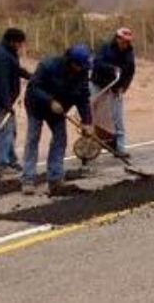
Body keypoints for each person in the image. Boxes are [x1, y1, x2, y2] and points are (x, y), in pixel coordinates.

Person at [22, 44, 93, 195]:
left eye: (83, 67)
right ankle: (28, 179)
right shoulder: (48, 66)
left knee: (60, 138)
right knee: (33, 138)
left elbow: (83, 97)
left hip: (59, 109)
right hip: (37, 105)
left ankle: (55, 178)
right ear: (70, 61)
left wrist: (87, 122)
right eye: (78, 65)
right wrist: (50, 101)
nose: (81, 69)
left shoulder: (83, 72)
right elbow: (34, 87)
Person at [0, 27, 31, 180]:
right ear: (13, 41)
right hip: (1, 100)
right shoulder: (1, 56)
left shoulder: (8, 53)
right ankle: (2, 165)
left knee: (10, 131)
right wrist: (7, 104)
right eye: (19, 43)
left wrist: (31, 76)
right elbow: (2, 82)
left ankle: (11, 160)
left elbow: (16, 70)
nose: (20, 46)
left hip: (7, 99)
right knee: (5, 132)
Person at [91, 27, 135, 159]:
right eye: (123, 41)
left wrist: (122, 87)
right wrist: (112, 69)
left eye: (128, 42)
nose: (125, 44)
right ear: (117, 38)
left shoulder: (129, 53)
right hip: (98, 83)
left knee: (117, 117)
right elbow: (97, 63)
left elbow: (130, 72)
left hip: (116, 86)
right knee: (91, 113)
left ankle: (120, 147)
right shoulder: (105, 48)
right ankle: (89, 145)